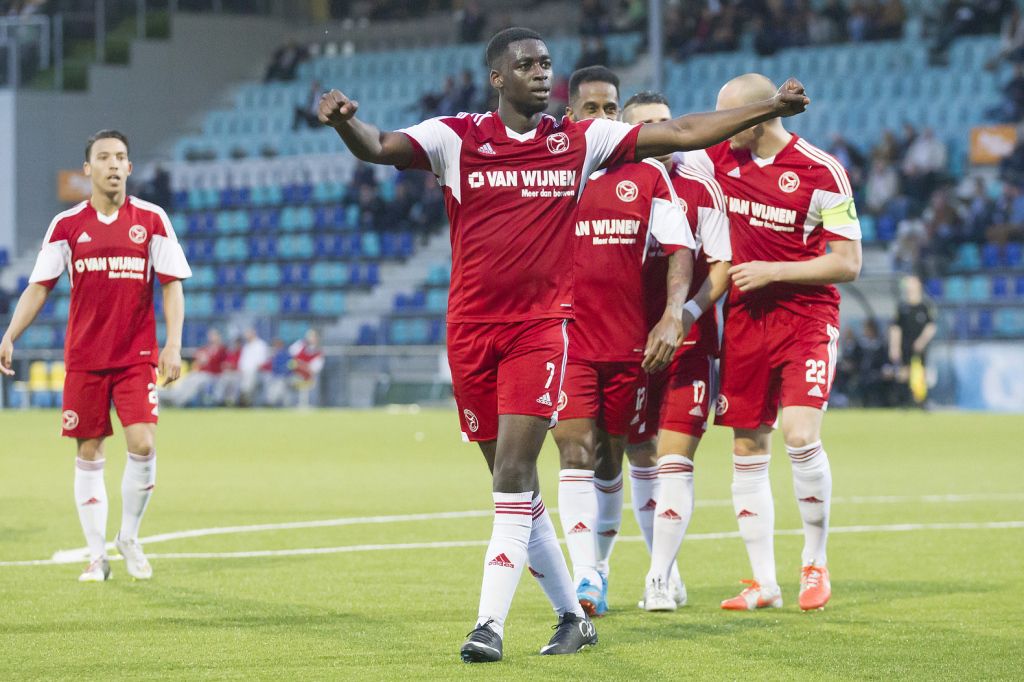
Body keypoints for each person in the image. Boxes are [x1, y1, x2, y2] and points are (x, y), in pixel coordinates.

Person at [318, 27, 809, 662]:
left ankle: (488, 626)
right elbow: (381, 146)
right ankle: (573, 617)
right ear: (498, 77)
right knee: (512, 487)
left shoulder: (579, 141)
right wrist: (343, 123)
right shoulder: (457, 138)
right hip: (469, 333)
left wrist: (769, 107)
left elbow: (683, 133)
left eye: (548, 64)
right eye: (527, 65)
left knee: (515, 476)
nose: (542, 74)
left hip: (540, 331)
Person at [684, 73, 861, 612]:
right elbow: (667, 152)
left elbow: (848, 262)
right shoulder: (716, 160)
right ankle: (764, 582)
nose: (724, 127)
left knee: (800, 433)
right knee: (746, 446)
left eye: (732, 117)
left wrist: (772, 270)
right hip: (743, 322)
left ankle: (815, 562)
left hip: (807, 319)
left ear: (760, 117)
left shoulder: (822, 171)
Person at [0, 129, 191, 582]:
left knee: (143, 444)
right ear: (87, 169)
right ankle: (95, 555)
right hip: (85, 357)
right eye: (103, 157)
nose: (112, 164)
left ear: (128, 167)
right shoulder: (66, 226)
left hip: (135, 355)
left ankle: (128, 536)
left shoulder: (152, 218)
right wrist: (9, 335)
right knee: (89, 450)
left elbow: (172, 285)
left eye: (120, 157)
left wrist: (173, 343)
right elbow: (38, 287)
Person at [550, 69, 694, 618]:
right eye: (591, 109)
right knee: (575, 451)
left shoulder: (649, 176)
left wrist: (671, 315)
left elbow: (679, 247)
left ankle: (602, 566)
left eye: (611, 108)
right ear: (571, 116)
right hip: (566, 339)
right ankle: (585, 578)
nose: (603, 119)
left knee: (613, 459)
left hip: (627, 342)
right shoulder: (552, 173)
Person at [621, 92, 732, 613]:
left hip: (689, 344)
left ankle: (659, 577)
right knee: (638, 456)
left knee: (674, 459)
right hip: (624, 347)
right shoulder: (609, 184)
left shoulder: (699, 186)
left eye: (668, 122)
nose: (664, 132)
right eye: (650, 126)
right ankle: (663, 563)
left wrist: (683, 316)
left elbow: (721, 269)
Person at [889, 275, 937, 407]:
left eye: (912, 284)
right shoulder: (902, 307)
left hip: (921, 346)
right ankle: (905, 401)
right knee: (904, 372)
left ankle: (922, 401)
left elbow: (931, 326)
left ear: (918, 286)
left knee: (922, 372)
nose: (909, 287)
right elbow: (895, 328)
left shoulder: (926, 306)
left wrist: (922, 341)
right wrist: (894, 347)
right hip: (905, 345)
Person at [162, 328, 226, 407]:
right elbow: (198, 356)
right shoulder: (206, 347)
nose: (211, 337)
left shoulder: (222, 349)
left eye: (214, 335)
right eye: (210, 335)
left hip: (212, 375)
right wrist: (202, 358)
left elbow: (219, 363)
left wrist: (207, 359)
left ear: (219, 336)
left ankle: (179, 401)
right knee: (187, 379)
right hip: (200, 372)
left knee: (195, 382)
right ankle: (173, 395)